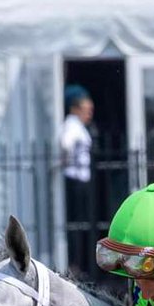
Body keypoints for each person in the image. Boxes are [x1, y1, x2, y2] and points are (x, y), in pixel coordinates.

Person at [58, 85, 95, 275]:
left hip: (79, 179)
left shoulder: (77, 125)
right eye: (85, 109)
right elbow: (66, 143)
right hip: (76, 179)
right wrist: (68, 161)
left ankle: (79, 264)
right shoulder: (72, 124)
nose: (89, 113)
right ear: (74, 108)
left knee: (82, 223)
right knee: (78, 223)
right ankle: (76, 265)